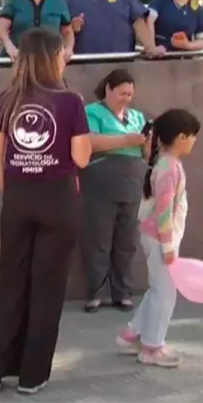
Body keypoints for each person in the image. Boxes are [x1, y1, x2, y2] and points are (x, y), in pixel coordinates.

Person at [0, 28, 91, 395]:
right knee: (47, 287)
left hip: (18, 201)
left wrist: (17, 191)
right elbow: (81, 157)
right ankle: (32, 374)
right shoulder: (71, 101)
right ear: (55, 57)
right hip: (59, 201)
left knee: (14, 284)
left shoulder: (6, 99)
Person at [116, 108, 201, 368]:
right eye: (192, 136)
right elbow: (164, 211)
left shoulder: (167, 164)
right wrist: (168, 246)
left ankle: (134, 334)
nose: (194, 142)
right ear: (181, 138)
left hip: (157, 237)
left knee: (158, 290)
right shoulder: (168, 168)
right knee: (166, 294)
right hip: (160, 239)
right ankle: (152, 347)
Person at [80, 69, 149, 314]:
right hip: (100, 181)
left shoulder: (137, 117)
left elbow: (146, 153)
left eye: (130, 94)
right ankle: (95, 293)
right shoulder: (91, 112)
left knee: (126, 242)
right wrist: (125, 141)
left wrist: (147, 141)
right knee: (98, 239)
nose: (126, 98)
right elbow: (90, 141)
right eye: (122, 93)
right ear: (108, 89)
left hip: (131, 182)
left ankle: (123, 292)